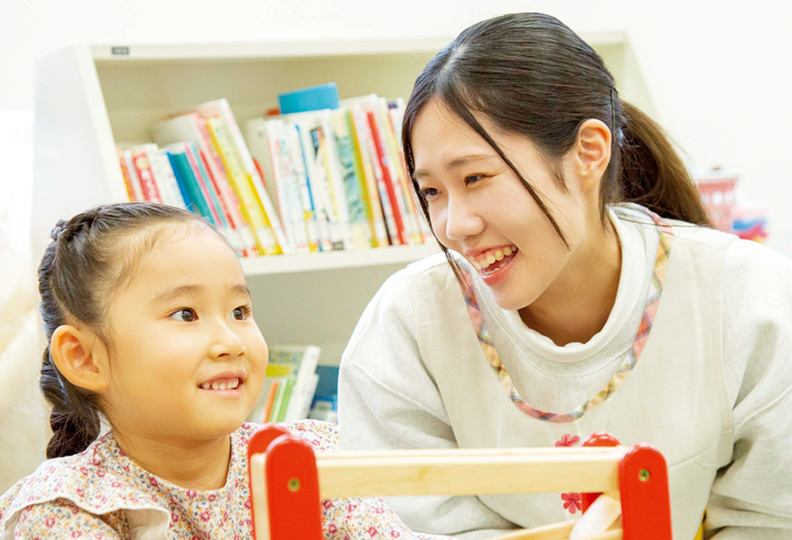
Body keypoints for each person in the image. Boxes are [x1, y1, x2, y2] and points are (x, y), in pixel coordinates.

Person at [338, 12, 792, 540]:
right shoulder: (405, 325)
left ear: (588, 153)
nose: (454, 225)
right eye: (433, 191)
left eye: (476, 177)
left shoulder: (746, 297)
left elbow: (771, 517)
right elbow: (404, 525)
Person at [0, 202, 449, 539]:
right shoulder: (65, 510)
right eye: (185, 315)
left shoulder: (312, 458)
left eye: (239, 310)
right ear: (85, 358)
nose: (232, 341)